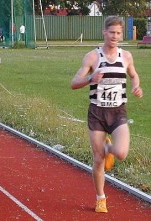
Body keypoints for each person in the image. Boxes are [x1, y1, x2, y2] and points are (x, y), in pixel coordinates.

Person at [70, 16, 143, 213]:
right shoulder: (92, 57)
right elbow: (74, 82)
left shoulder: (126, 56)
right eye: (112, 32)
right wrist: (90, 79)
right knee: (98, 159)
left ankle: (109, 145)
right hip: (97, 112)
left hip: (118, 111)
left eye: (119, 33)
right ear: (104, 32)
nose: (115, 36)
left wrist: (137, 86)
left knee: (120, 152)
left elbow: (134, 75)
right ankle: (101, 198)